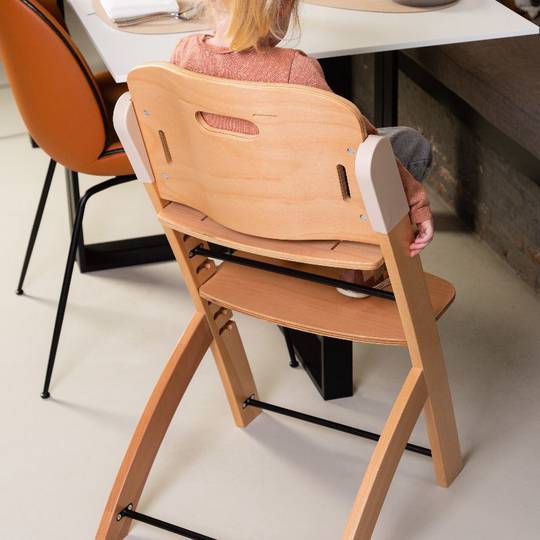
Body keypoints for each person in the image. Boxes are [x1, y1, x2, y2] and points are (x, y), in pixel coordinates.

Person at [170, 0, 434, 295]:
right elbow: (359, 141)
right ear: (280, 8)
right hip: (297, 212)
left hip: (223, 207)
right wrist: (417, 205)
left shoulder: (183, 54)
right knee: (408, 144)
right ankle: (357, 272)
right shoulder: (295, 69)